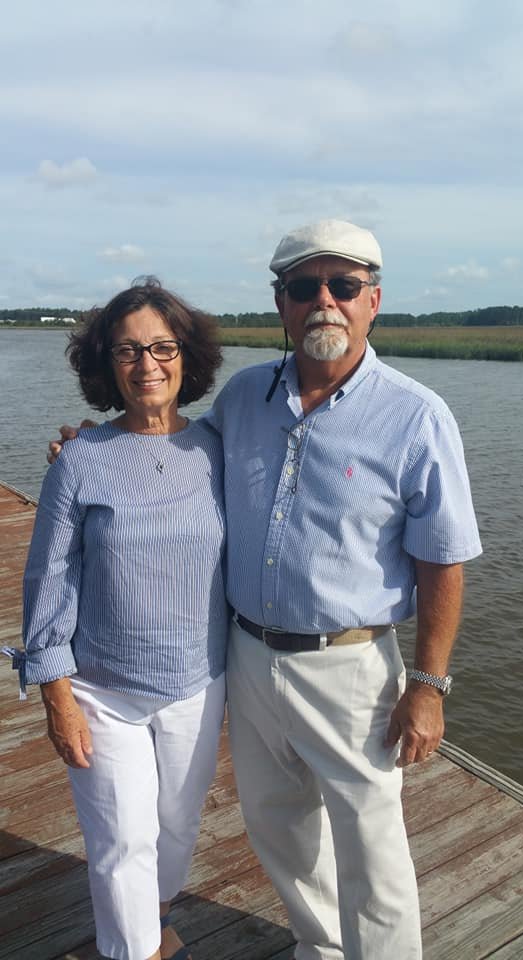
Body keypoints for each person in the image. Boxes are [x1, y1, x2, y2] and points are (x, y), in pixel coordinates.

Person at [49, 220, 482, 960]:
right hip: (246, 659)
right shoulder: (246, 398)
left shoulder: (416, 415)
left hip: (351, 669)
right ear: (280, 303)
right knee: (280, 832)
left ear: (373, 299)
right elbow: (171, 450)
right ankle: (319, 951)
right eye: (303, 287)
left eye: (342, 286)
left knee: (372, 852)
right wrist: (97, 445)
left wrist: (430, 684)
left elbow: (444, 561)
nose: (324, 302)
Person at [10, 279, 228, 960]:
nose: (147, 365)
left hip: (199, 681)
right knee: (120, 841)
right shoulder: (78, 462)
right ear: (106, 364)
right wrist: (57, 695)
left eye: (163, 347)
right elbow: (47, 580)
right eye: (128, 351)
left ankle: (150, 928)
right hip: (103, 690)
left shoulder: (219, 450)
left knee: (174, 828)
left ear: (186, 358)